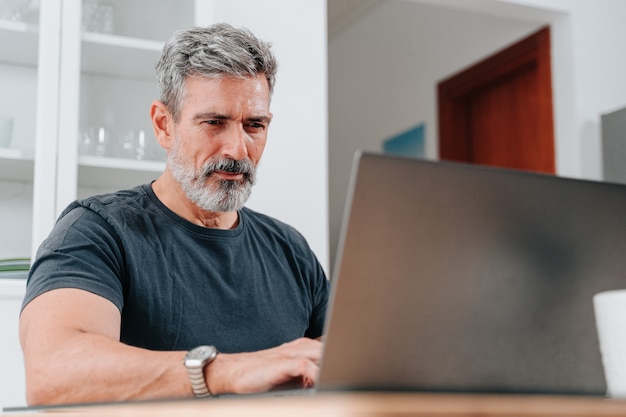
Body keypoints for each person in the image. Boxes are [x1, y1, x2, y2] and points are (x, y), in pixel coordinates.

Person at [19, 23, 329, 406]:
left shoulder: (291, 250)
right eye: (214, 122)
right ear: (164, 125)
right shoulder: (96, 231)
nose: (237, 148)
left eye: (254, 125)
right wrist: (228, 371)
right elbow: (52, 374)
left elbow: (344, 367)